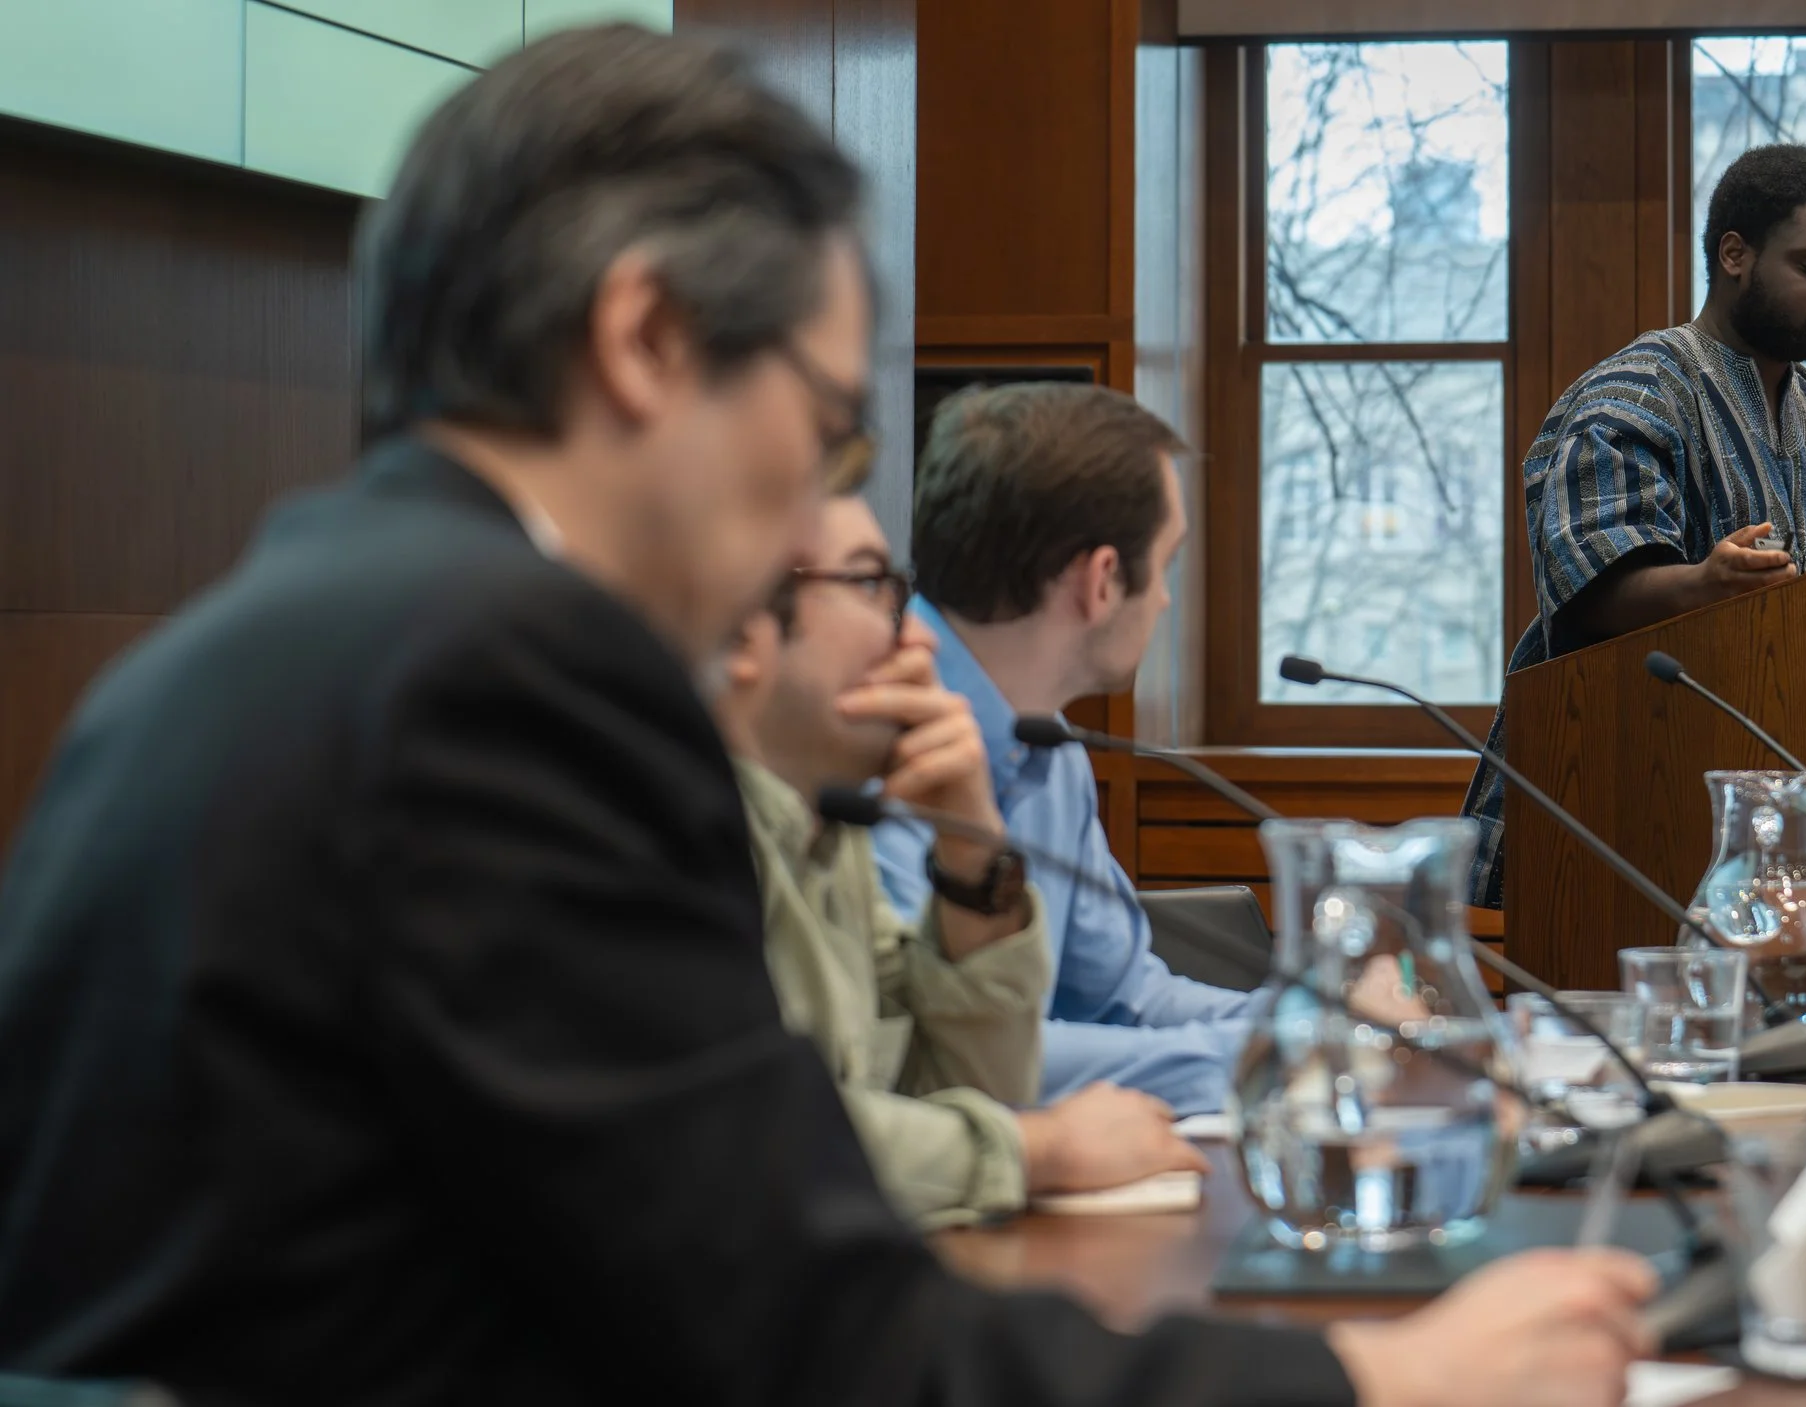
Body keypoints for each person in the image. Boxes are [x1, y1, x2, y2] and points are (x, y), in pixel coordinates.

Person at [0, 25, 1657, 1407]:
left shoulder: (271, 639)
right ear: (647, 338)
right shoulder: (507, 679)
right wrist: (1380, 1380)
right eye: (822, 428)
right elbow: (807, 1332)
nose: (820, 511)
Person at [711, 494, 1205, 1226]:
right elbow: (747, 1139)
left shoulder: (830, 833)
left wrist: (974, 861)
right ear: (741, 625)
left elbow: (958, 1092)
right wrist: (1039, 1149)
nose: (919, 639)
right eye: (870, 584)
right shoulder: (663, 831)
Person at [1463, 143, 1806, 908]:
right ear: (1735, 255)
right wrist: (1705, 584)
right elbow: (1588, 597)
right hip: (1631, 800)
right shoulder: (1636, 391)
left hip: (1805, 805)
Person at [876, 384, 1250, 1116]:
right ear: (1102, 580)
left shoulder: (1050, 750)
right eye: (1166, 565)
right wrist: (1270, 1056)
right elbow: (937, 1061)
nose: (1165, 600)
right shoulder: (875, 739)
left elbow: (1124, 999)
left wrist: (1317, 1026)